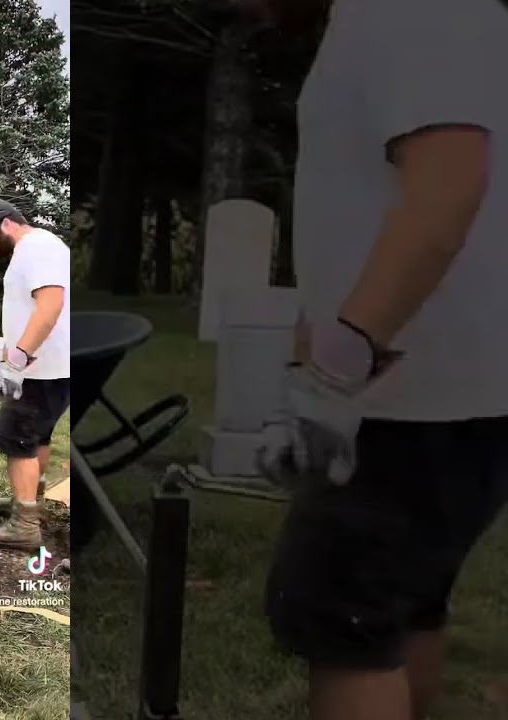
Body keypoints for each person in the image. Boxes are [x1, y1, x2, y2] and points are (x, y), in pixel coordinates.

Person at [248, 0, 508, 718]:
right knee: (397, 609)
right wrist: (298, 379)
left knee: (341, 620)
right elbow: (358, 215)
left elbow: (449, 189)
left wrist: (338, 366)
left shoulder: (407, 7)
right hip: (430, 393)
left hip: (407, 398)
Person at [0, 199, 70, 552]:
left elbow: (51, 304)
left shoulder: (35, 248)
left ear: (6, 223)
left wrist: (17, 360)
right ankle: (31, 505)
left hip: (40, 370)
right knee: (37, 438)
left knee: (14, 438)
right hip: (51, 368)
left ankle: (25, 526)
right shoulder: (43, 247)